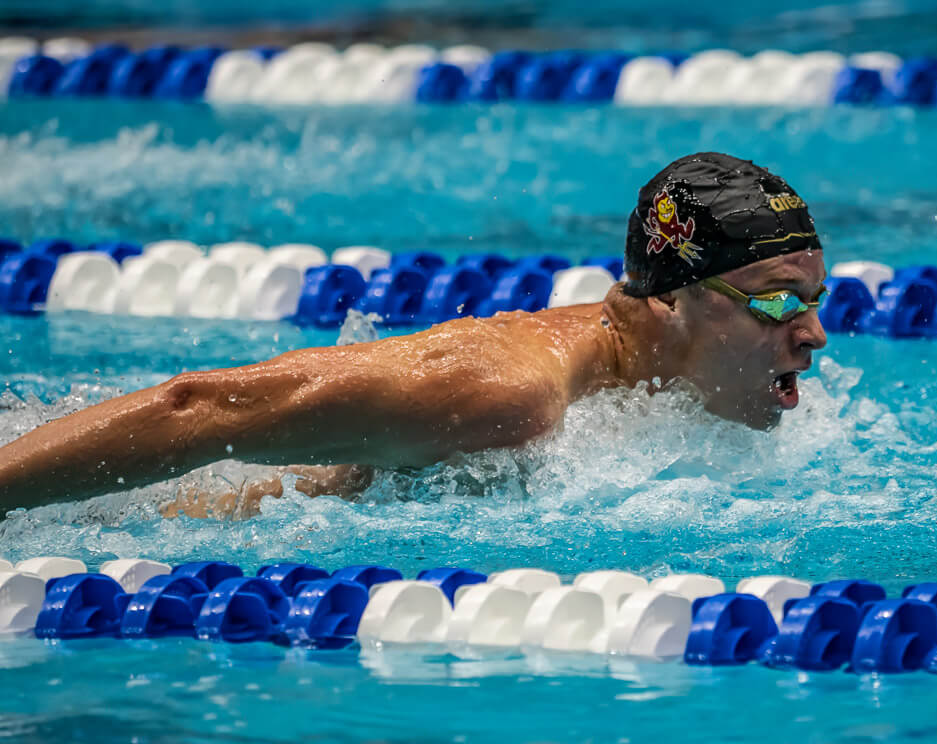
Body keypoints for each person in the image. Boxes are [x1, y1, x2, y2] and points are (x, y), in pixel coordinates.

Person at [0, 152, 828, 515]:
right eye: (777, 303)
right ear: (667, 304)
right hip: (160, 525)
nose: (815, 335)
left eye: (816, 301)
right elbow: (200, 408)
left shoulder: (655, 371)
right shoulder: (506, 394)